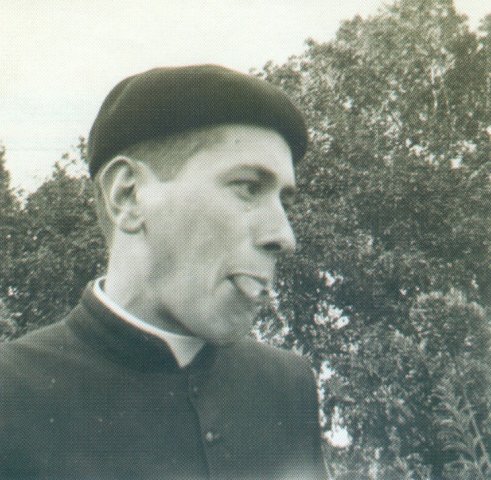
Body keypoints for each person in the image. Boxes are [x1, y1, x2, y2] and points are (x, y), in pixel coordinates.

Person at [0, 65, 327, 479]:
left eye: (285, 201)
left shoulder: (288, 385)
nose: (284, 236)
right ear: (128, 195)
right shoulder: (10, 392)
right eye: (248, 187)